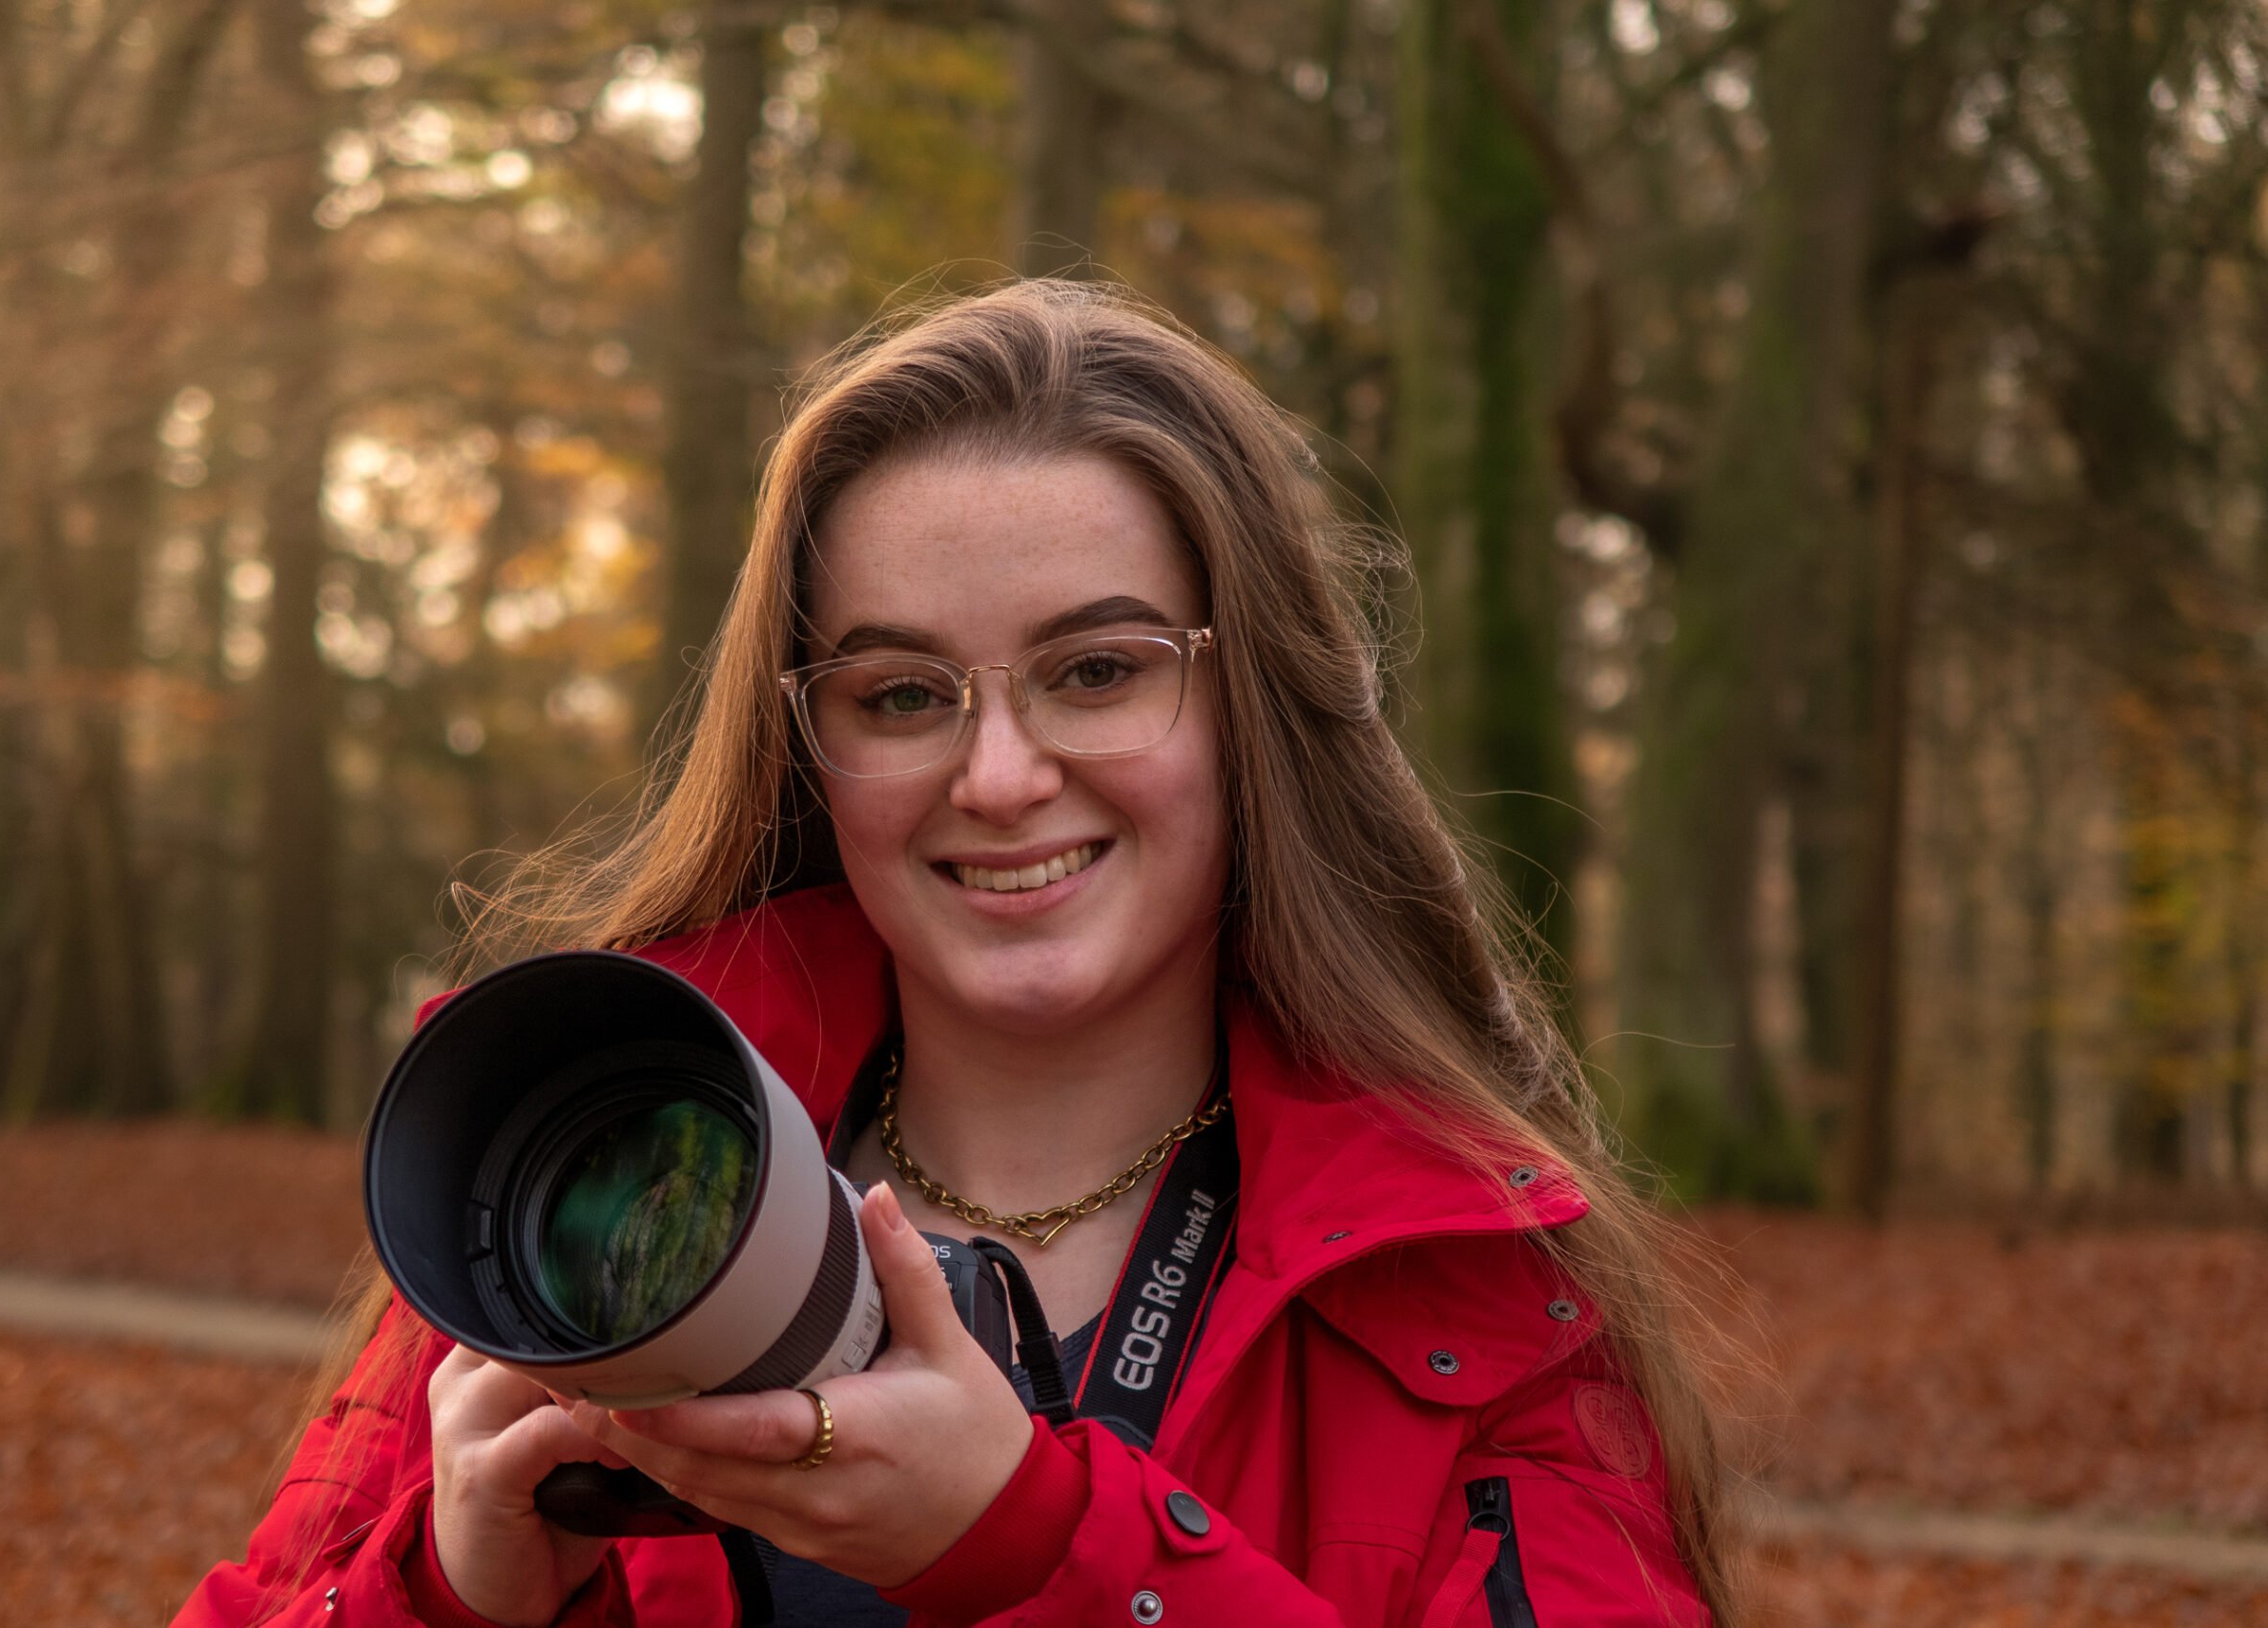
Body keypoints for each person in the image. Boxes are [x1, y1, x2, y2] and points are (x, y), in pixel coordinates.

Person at [175, 279, 1742, 1628]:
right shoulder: (592, 1178)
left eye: (1099, 670)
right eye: (903, 695)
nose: (997, 777)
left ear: (1247, 704)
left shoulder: (1468, 1288)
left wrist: (1043, 1553)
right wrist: (445, 1597)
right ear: (812, 744)